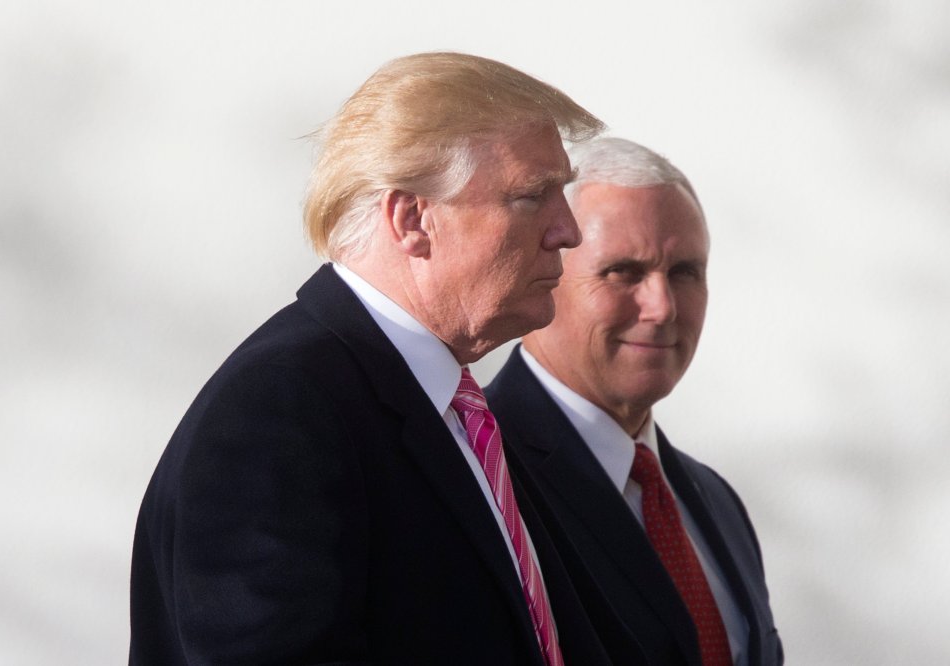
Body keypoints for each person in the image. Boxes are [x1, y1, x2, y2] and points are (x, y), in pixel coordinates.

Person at [129, 53, 645, 665]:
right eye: (534, 196)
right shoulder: (277, 414)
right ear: (412, 219)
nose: (569, 231)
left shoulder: (451, 408)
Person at [485, 137, 784, 665]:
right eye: (623, 271)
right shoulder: (478, 473)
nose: (662, 307)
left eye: (684, 272)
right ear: (544, 274)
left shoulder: (714, 500)